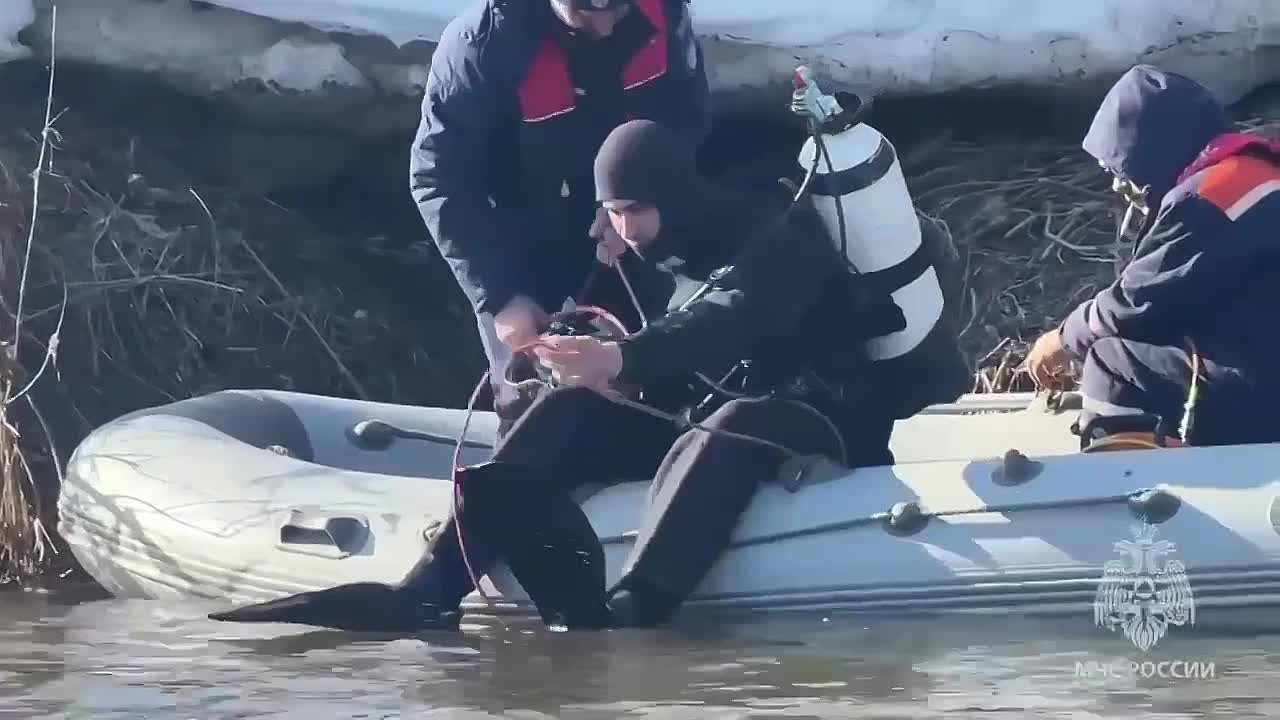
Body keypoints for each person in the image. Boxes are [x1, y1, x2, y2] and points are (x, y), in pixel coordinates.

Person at [206, 118, 965, 632]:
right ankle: (432, 590)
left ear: (670, 196)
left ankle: (637, 605)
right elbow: (653, 337)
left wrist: (626, 358)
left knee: (730, 427)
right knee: (576, 411)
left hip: (821, 411)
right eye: (611, 212)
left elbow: (732, 314)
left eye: (631, 210)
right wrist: (581, 352)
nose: (620, 227)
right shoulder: (648, 248)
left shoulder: (779, 232)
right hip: (707, 397)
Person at [411, 0, 711, 434]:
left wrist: (637, 201)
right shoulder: (482, 46)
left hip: (634, 241)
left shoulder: (666, 12)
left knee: (656, 386)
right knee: (532, 412)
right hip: (522, 259)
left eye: (618, 7)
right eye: (586, 10)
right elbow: (440, 179)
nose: (605, 26)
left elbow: (687, 121)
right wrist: (498, 296)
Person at [1025, 64, 1280, 448]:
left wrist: (1063, 340)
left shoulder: (1213, 195)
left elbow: (1136, 305)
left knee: (1113, 363)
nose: (1117, 183)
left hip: (1266, 388)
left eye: (1120, 168)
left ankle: (1124, 480)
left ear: (1153, 151)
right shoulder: (1255, 173)